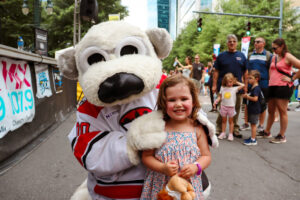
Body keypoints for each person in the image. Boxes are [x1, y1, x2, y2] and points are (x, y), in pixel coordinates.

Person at [141, 74, 211, 200]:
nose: (178, 104)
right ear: (164, 102)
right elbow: (146, 157)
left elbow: (206, 156)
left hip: (188, 188)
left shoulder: (197, 128)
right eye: (172, 100)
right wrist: (162, 167)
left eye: (184, 99)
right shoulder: (157, 128)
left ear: (193, 101)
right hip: (161, 187)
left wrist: (196, 167)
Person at [259, 38, 300, 143]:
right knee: (271, 110)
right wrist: (270, 80)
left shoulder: (288, 56)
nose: (273, 50)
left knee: (282, 111)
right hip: (272, 86)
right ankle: (267, 132)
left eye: (275, 48)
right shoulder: (274, 57)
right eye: (272, 48)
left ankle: (282, 136)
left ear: (282, 47)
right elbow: (270, 70)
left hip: (283, 86)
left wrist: (292, 78)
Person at [212, 34, 248, 137]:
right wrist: (214, 85)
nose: (232, 43)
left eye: (234, 41)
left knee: (235, 110)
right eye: (230, 41)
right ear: (227, 43)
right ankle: (219, 129)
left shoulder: (241, 56)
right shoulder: (221, 56)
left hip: (237, 89)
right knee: (221, 109)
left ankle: (235, 129)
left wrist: (245, 85)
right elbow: (216, 72)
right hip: (223, 88)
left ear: (236, 43)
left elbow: (246, 72)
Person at [240, 37, 272, 133]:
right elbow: (246, 71)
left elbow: (270, 70)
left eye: (258, 42)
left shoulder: (268, 55)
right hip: (250, 84)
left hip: (263, 84)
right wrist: (245, 84)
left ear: (263, 43)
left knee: (262, 105)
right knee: (246, 103)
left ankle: (261, 125)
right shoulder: (250, 55)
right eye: (255, 42)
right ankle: (246, 123)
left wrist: (270, 83)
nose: (255, 43)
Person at [214, 73, 245, 141]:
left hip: (231, 107)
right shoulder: (223, 88)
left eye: (230, 82)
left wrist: (235, 82)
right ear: (225, 82)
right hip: (223, 106)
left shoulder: (235, 88)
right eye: (227, 82)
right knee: (223, 121)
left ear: (233, 81)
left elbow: (243, 85)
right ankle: (223, 133)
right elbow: (220, 96)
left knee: (231, 121)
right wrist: (216, 101)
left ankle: (230, 134)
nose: (229, 83)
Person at [242, 70, 262, 145]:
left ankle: (253, 140)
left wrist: (247, 96)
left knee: (253, 125)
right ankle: (252, 137)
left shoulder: (256, 88)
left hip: (255, 109)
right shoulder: (253, 87)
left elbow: (255, 98)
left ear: (256, 79)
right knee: (252, 124)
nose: (248, 80)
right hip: (252, 109)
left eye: (250, 78)